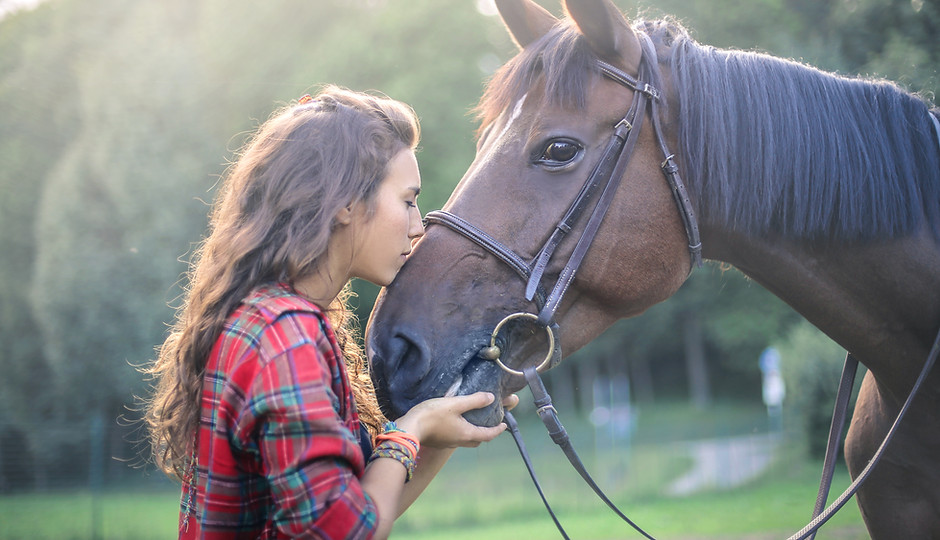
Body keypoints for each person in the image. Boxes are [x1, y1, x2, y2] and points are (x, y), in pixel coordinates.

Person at [143, 86, 515, 539]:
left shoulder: (276, 322)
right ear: (344, 202)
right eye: (408, 200)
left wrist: (441, 427)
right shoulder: (286, 337)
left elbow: (362, 509)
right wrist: (412, 429)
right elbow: (345, 533)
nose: (418, 227)